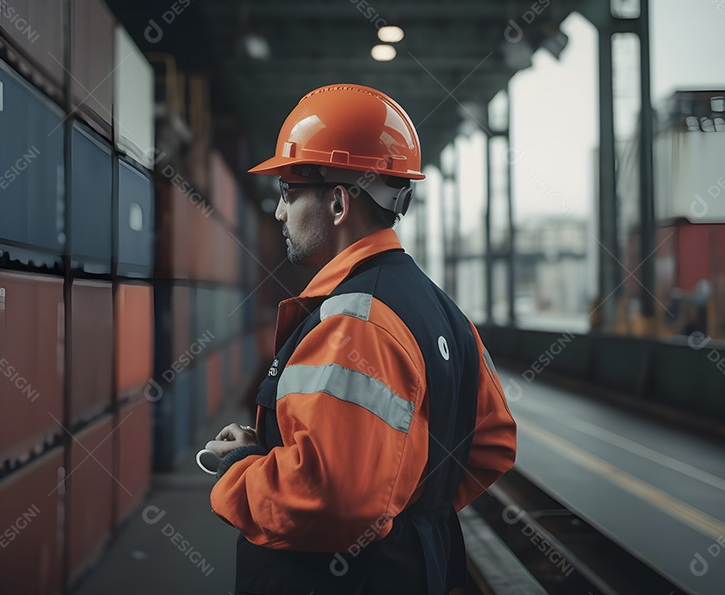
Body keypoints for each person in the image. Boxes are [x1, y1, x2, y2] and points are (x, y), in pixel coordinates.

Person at [205, 84, 517, 594]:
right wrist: (404, 501)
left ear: (337, 202)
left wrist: (240, 471)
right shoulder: (441, 310)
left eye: (288, 192)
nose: (279, 213)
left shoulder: (353, 321)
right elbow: (493, 442)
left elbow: (330, 502)